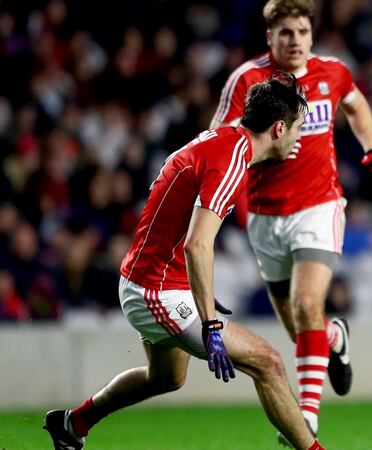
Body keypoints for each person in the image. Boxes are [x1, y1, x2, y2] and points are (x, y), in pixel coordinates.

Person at [43, 74, 325, 450]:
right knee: (268, 362)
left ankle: (72, 423)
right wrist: (210, 324)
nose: (298, 138)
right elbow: (197, 245)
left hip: (151, 279)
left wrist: (198, 289)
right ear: (278, 129)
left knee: (166, 378)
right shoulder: (232, 161)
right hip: (156, 290)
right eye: (297, 128)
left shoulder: (221, 141)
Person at [210, 0, 372, 439]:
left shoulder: (332, 72)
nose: (295, 41)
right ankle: (334, 337)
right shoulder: (247, 80)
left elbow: (356, 104)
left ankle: (307, 415)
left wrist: (371, 148)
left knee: (307, 304)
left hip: (319, 206)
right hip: (265, 216)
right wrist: (266, 150)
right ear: (269, 36)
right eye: (286, 33)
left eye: (302, 32)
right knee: (300, 327)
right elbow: (222, 142)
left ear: (312, 35)